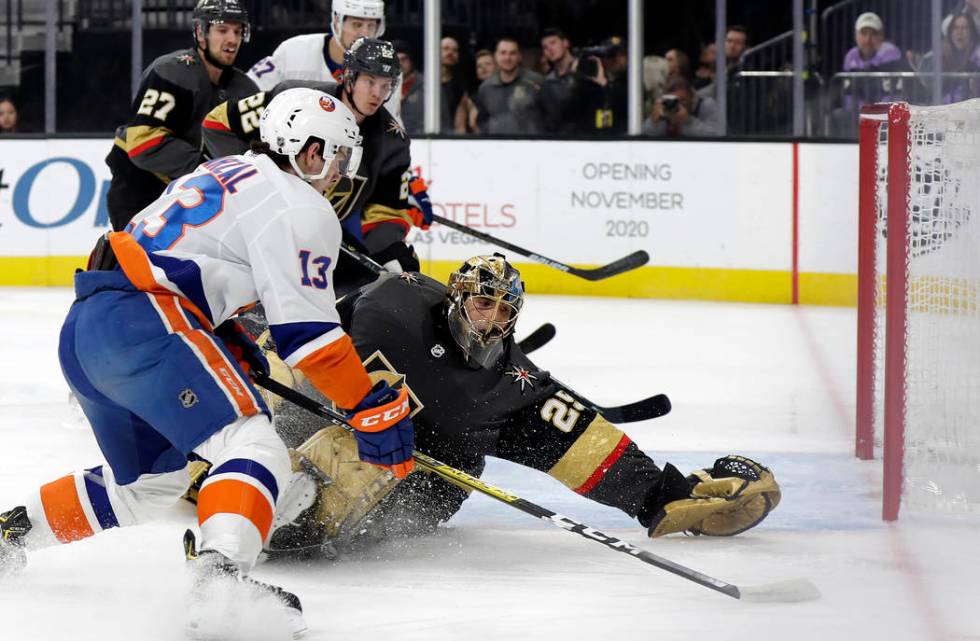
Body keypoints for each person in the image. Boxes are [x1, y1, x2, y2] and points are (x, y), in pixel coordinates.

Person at [0, 88, 416, 638]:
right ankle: (219, 578)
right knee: (255, 447)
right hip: (149, 321)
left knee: (150, 483)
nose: (339, 172)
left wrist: (221, 334)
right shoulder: (300, 204)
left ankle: (10, 536)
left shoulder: (224, 170)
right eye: (336, 156)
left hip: (90, 326)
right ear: (309, 151)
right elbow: (308, 337)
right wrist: (368, 405)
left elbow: (184, 256)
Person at [245, 255, 782, 556]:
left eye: (504, 310)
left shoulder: (507, 382)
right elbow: (308, 337)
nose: (491, 319)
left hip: (429, 474)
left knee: (374, 467)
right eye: (482, 303)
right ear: (457, 298)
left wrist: (664, 497)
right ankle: (235, 476)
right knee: (287, 396)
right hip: (307, 411)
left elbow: (578, 439)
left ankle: (298, 523)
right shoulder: (392, 308)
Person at [202, 37, 429, 283]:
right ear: (349, 77)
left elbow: (384, 213)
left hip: (314, 232)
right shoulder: (295, 99)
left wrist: (391, 252)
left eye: (386, 85)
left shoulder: (391, 141)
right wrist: (252, 182)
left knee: (365, 286)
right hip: (258, 225)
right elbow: (218, 123)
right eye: (370, 81)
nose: (377, 93)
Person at [104, 0, 257, 231]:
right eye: (222, 30)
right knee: (135, 263)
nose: (232, 40)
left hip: (193, 196)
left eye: (237, 31)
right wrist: (206, 168)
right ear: (200, 32)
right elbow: (144, 142)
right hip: (141, 191)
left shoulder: (244, 88)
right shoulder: (171, 72)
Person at [246, 0, 402, 123]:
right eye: (357, 24)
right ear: (336, 21)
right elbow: (247, 91)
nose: (365, 34)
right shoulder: (294, 51)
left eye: (371, 25)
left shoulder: (387, 70)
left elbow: (389, 126)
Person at [474, 38, 545, 135]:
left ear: (519, 56)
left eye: (512, 53)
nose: (507, 58)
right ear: (496, 56)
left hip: (529, 146)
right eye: (503, 53)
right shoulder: (485, 88)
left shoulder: (537, 82)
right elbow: (482, 121)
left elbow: (551, 118)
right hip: (498, 147)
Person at [917, 13, 980, 104]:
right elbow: (929, 86)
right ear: (950, 32)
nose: (959, 32)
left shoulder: (977, 56)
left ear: (972, 32)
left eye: (965, 28)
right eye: (955, 28)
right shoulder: (936, 57)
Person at [643, 75, 720, 137]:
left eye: (682, 100)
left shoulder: (706, 105)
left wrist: (688, 121)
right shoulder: (665, 106)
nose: (678, 105)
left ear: (692, 97)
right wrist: (653, 122)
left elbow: (717, 135)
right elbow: (645, 136)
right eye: (674, 100)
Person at [394, 40, 422, 135]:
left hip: (419, 138)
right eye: (396, 60)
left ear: (411, 61)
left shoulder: (426, 85)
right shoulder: (382, 86)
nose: (400, 64)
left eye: (404, 59)